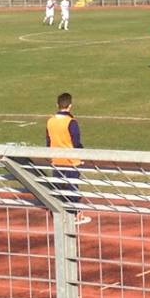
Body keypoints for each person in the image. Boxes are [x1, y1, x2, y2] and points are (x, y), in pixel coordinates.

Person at [45, 92, 88, 224]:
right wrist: (81, 154)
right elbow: (76, 142)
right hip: (71, 160)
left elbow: (48, 140)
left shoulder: (50, 121)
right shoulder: (71, 122)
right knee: (72, 187)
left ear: (57, 105)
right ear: (70, 106)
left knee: (58, 187)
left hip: (56, 159)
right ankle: (74, 214)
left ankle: (58, 214)